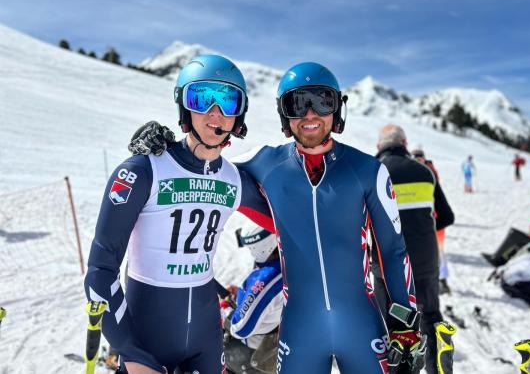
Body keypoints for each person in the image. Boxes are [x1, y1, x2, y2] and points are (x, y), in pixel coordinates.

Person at [130, 62, 423, 374]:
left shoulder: (368, 170)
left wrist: (405, 322)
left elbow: (392, 251)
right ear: (285, 114)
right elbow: (202, 166)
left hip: (360, 325)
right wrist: (158, 152)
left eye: (322, 102)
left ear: (337, 109)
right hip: (299, 330)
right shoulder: (264, 164)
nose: (310, 114)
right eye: (297, 104)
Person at [84, 55, 275, 374]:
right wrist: (129, 352)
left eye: (228, 101)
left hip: (206, 342)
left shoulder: (234, 179)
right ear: (184, 108)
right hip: (146, 341)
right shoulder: (144, 169)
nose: (216, 113)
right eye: (202, 99)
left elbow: (293, 213)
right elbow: (101, 269)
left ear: (239, 114)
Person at [373, 126, 454, 374]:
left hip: (386, 262)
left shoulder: (372, 173)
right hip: (425, 258)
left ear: (379, 147)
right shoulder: (424, 171)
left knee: (391, 325)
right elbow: (446, 217)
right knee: (430, 317)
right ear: (404, 142)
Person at [221, 222, 284, 374]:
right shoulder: (284, 263)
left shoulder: (266, 278)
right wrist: (242, 295)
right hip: (276, 340)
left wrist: (225, 309)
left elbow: (240, 328)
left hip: (254, 352)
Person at [411, 149, 451, 295]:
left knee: (438, 253)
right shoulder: (421, 172)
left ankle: (442, 281)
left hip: (434, 220)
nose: (418, 160)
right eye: (415, 158)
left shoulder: (429, 173)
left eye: (419, 158)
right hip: (425, 221)